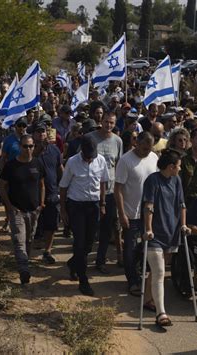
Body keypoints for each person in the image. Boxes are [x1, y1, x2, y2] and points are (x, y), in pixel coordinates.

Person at [142, 149, 190, 327]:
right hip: (155, 233)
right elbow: (149, 205)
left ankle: (148, 298)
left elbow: (181, 204)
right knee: (160, 272)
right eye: (178, 166)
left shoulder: (176, 180)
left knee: (156, 271)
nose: (180, 169)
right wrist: (147, 228)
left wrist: (183, 225)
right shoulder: (153, 180)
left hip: (172, 231)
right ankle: (161, 313)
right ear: (171, 167)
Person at [59, 135, 109, 296]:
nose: (89, 159)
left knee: (88, 243)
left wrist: (102, 204)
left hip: (93, 206)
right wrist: (63, 210)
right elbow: (63, 187)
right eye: (87, 156)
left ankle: (74, 263)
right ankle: (83, 279)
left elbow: (102, 183)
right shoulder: (72, 162)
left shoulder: (101, 161)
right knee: (79, 242)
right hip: (76, 206)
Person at [114, 132, 158, 296]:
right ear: (136, 143)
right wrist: (122, 213)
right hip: (131, 213)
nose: (147, 151)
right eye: (144, 148)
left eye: (150, 148)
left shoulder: (154, 158)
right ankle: (132, 280)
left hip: (149, 214)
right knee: (130, 249)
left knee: (144, 248)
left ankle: (141, 277)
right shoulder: (125, 161)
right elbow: (117, 189)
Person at [0, 135, 45, 285]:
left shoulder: (37, 163)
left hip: (34, 210)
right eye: (25, 146)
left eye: (31, 146)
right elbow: (2, 186)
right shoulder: (11, 166)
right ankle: (23, 269)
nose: (28, 149)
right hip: (17, 210)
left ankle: (25, 261)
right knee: (19, 240)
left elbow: (42, 185)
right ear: (20, 147)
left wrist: (41, 204)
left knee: (29, 239)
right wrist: (9, 206)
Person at [86, 112, 123, 274]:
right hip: (91, 191)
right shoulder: (90, 138)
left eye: (112, 123)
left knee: (106, 230)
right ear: (101, 121)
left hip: (110, 192)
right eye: (106, 122)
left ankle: (100, 261)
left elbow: (119, 165)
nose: (108, 125)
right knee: (89, 228)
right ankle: (80, 258)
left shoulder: (118, 141)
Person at [32, 121, 64, 264]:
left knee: (51, 224)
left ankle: (47, 251)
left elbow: (59, 168)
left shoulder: (55, 150)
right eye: (38, 132)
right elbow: (30, 160)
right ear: (33, 134)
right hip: (33, 195)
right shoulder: (28, 149)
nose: (41, 134)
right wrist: (38, 149)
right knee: (32, 224)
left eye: (43, 131)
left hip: (52, 193)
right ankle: (27, 251)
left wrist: (63, 186)